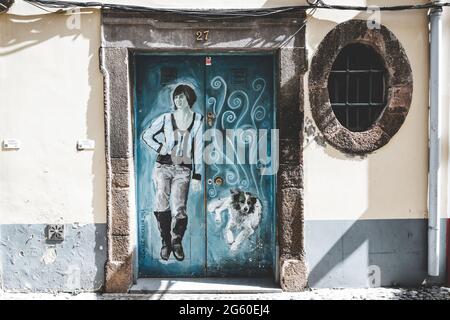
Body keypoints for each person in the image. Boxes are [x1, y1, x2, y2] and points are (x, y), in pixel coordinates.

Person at [142, 84, 203, 261]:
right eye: (176, 97)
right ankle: (165, 241)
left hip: (183, 169)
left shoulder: (197, 120)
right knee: (161, 202)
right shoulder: (166, 118)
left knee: (179, 207)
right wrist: (159, 147)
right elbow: (147, 135)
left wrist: (197, 175)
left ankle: (177, 240)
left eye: (182, 96)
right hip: (163, 167)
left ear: (189, 99)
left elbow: (198, 149)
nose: (178, 100)